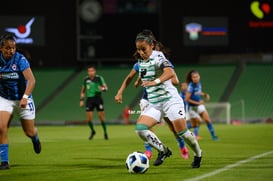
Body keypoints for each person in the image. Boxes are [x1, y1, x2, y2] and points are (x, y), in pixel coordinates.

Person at [122, 30, 202, 168]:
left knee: (182, 133)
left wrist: (155, 82)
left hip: (171, 101)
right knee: (140, 129)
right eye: (138, 50)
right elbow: (134, 75)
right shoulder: (141, 61)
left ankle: (198, 154)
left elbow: (170, 72)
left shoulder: (159, 56)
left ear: (152, 46)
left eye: (143, 49)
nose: (141, 52)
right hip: (154, 103)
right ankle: (163, 151)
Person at [0, 33, 41, 170]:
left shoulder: (20, 59)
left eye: (13, 48)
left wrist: (25, 97)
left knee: (28, 131)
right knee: (1, 127)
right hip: (5, 98)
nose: (11, 51)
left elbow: (32, 80)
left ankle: (35, 138)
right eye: (7, 48)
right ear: (1, 48)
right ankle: (4, 162)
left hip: (22, 97)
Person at [185, 69, 219, 141]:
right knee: (195, 125)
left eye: (197, 77)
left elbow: (198, 92)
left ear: (199, 77)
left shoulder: (199, 84)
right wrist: (198, 103)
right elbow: (187, 99)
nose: (196, 78)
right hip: (192, 108)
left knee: (207, 120)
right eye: (194, 77)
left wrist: (205, 94)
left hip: (199, 106)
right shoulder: (190, 86)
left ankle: (214, 136)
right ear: (191, 78)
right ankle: (183, 129)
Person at [79, 65, 109, 140]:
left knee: (101, 118)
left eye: (92, 71)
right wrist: (81, 100)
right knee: (88, 120)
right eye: (89, 71)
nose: (91, 72)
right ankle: (93, 131)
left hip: (98, 99)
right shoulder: (86, 80)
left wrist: (102, 88)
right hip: (89, 100)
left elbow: (106, 88)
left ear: (95, 71)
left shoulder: (99, 78)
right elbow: (83, 91)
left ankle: (105, 132)